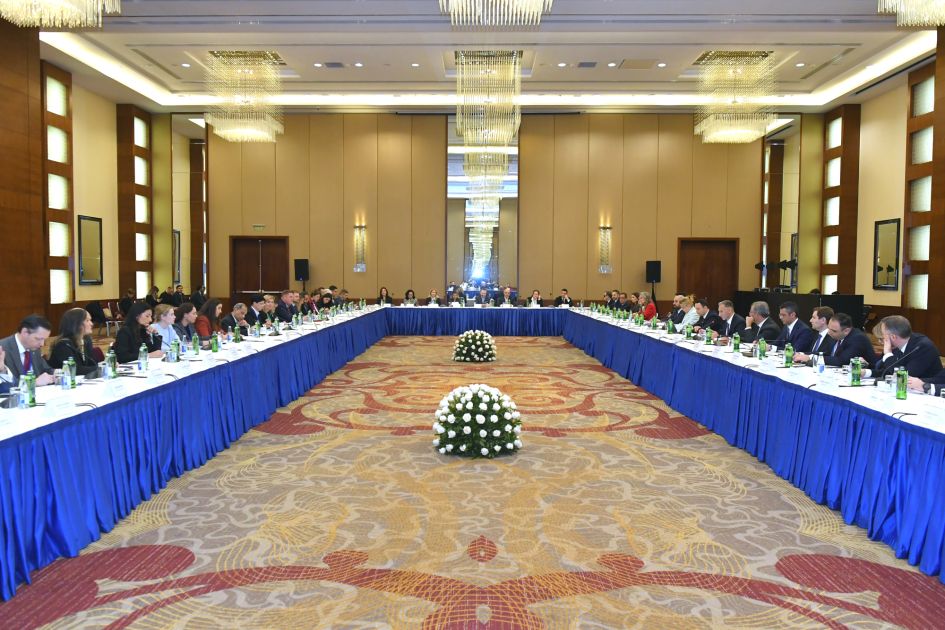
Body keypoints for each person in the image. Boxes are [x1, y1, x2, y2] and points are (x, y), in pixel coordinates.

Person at [873, 315, 942, 379]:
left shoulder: (923, 347)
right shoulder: (896, 346)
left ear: (893, 337)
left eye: (882, 338)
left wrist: (888, 353)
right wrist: (868, 372)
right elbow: (887, 370)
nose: (880, 341)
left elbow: (904, 376)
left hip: (928, 387)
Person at [1, 314, 56, 386]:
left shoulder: (34, 348)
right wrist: (34, 383)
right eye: (38, 339)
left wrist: (57, 373)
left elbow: (46, 369)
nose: (42, 344)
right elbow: (5, 384)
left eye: (44, 340)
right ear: (25, 332)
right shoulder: (3, 349)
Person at [48, 308, 99, 377]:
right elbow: (74, 370)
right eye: (87, 320)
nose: (91, 324)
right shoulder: (63, 345)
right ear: (76, 323)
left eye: (90, 320)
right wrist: (99, 368)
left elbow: (91, 363)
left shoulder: (86, 340)